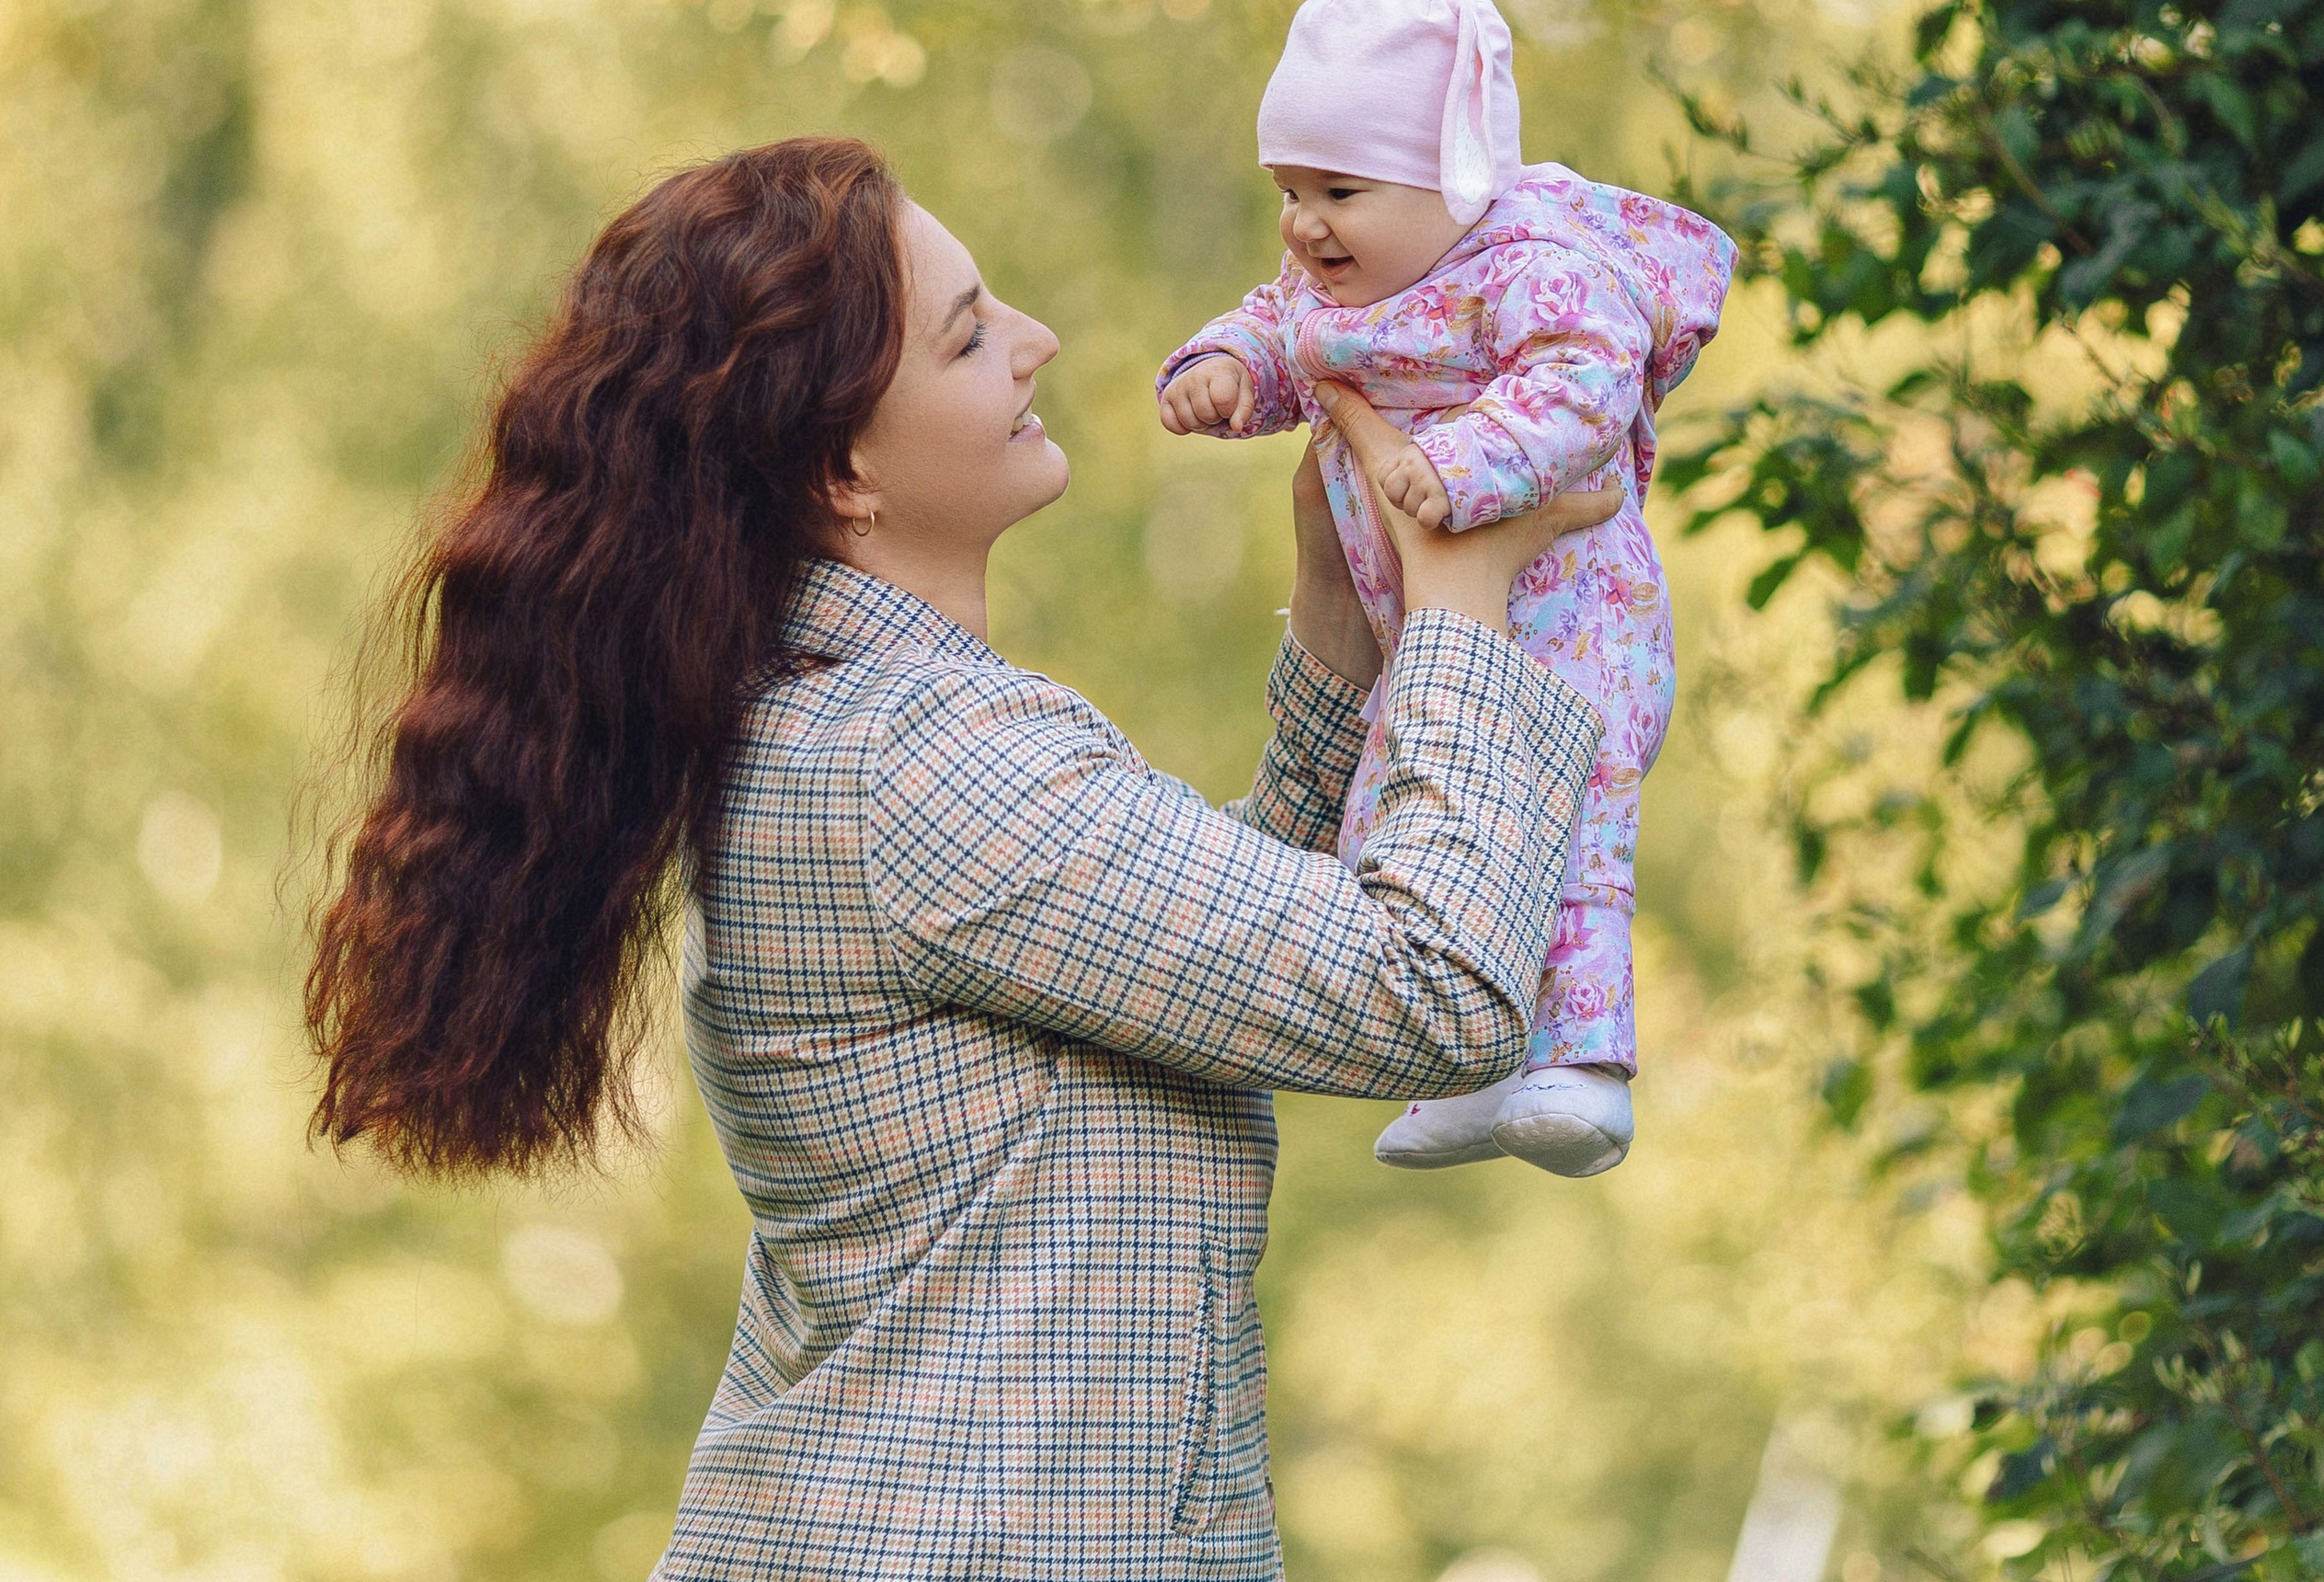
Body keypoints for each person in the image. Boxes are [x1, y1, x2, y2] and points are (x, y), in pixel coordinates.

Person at [304, 133, 1622, 1578]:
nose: (1035, 339)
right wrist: (1462, 597)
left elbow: (1220, 966)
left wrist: (1336, 609)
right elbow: (1424, 989)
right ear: (843, 472)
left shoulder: (854, 731)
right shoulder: (913, 761)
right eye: (969, 333)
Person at [1159, 0, 1735, 1177]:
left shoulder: (1535, 268)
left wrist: (1461, 464)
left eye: (1341, 192)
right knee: (1407, 810)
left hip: (1573, 618)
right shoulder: (1339, 287)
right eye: (1289, 191)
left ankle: (1583, 1066)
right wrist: (1227, 370)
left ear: (1453, 181)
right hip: (1422, 630)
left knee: (1568, 821)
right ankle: (1476, 1067)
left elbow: (1583, 383)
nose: (1304, 226)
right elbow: (1284, 333)